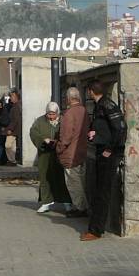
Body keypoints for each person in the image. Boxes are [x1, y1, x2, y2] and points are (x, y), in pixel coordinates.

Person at [83, 80, 127, 241]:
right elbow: (107, 128)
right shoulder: (100, 105)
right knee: (97, 191)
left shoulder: (107, 105)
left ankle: (96, 230)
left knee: (102, 192)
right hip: (101, 151)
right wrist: (95, 134)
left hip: (108, 154)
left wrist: (109, 149)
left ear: (90, 91)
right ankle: (95, 228)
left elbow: (120, 128)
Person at [30, 102, 72, 212]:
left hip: (60, 153)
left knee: (62, 177)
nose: (51, 116)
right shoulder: (40, 121)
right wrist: (42, 140)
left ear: (57, 113)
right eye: (49, 114)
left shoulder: (63, 121)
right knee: (45, 176)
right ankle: (46, 202)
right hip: (45, 154)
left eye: (53, 114)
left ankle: (67, 202)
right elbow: (33, 133)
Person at [57, 86, 91, 219]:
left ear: (69, 99)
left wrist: (59, 148)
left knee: (73, 182)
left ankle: (80, 207)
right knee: (81, 181)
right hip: (83, 151)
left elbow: (66, 137)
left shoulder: (69, 113)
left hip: (71, 154)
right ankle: (83, 206)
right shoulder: (84, 111)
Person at [4, 90, 22, 165]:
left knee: (7, 145)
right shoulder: (17, 105)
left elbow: (15, 119)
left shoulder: (16, 106)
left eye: (11, 96)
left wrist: (10, 129)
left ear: (15, 97)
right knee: (13, 146)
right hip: (15, 129)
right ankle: (13, 160)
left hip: (13, 129)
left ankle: (12, 160)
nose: (10, 98)